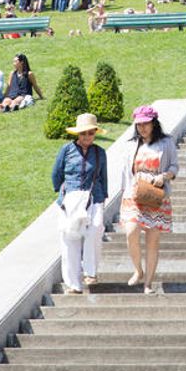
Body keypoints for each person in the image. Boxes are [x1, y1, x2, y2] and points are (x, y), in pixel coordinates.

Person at [120, 105, 179, 293]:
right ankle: (138, 270)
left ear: (154, 123)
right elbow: (125, 173)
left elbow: (174, 166)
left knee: (153, 240)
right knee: (131, 231)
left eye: (146, 124)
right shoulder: (131, 144)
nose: (142, 128)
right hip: (134, 193)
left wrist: (164, 176)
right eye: (139, 125)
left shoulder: (166, 142)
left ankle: (148, 284)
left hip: (155, 194)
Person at [51, 113, 109, 293]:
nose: (87, 137)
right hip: (71, 198)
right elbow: (56, 174)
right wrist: (63, 192)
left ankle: (90, 272)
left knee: (96, 229)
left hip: (94, 197)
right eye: (83, 133)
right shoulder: (66, 150)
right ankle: (73, 283)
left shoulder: (99, 152)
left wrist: (103, 197)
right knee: (70, 238)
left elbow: (103, 177)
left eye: (90, 133)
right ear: (77, 134)